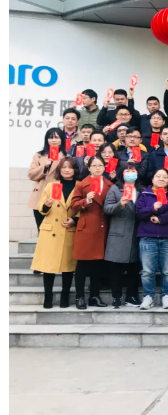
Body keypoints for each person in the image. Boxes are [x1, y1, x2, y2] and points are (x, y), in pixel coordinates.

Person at [31, 157, 79, 309]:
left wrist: (74, 220)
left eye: (70, 167)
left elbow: (83, 209)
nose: (67, 170)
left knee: (68, 267)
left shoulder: (79, 186)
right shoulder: (52, 185)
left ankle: (65, 296)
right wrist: (46, 205)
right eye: (64, 167)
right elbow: (40, 207)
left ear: (75, 170)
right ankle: (48, 296)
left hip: (68, 229)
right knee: (48, 266)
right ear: (59, 170)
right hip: (51, 230)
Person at [71, 156, 113, 309]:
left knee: (98, 265)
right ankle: (80, 296)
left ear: (104, 167)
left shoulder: (109, 185)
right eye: (94, 165)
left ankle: (94, 296)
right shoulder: (82, 184)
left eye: (100, 165)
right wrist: (86, 200)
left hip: (102, 227)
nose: (97, 168)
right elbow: (74, 205)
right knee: (82, 264)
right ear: (89, 168)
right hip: (87, 228)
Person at [135, 169, 168, 310]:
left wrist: (161, 219)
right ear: (152, 179)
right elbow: (138, 213)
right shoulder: (144, 194)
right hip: (147, 236)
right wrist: (152, 208)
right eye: (158, 176)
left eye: (164, 177)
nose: (161, 179)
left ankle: (166, 295)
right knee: (147, 271)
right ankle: (148, 296)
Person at [103, 161, 143, 308]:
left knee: (134, 268)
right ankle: (116, 296)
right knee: (116, 268)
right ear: (121, 173)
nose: (130, 174)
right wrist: (120, 204)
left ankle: (131, 296)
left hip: (136, 233)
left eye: (133, 171)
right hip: (118, 233)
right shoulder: (115, 189)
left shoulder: (141, 190)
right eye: (127, 171)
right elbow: (107, 208)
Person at [28, 128, 67, 230]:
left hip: (56, 192)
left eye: (56, 137)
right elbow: (31, 174)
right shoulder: (38, 155)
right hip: (40, 194)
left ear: (62, 140)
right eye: (50, 138)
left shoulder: (66, 156)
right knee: (41, 228)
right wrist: (44, 167)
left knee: (54, 228)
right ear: (46, 140)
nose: (53, 140)